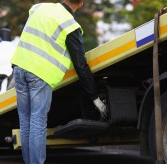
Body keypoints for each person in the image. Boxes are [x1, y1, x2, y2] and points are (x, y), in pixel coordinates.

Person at [10, 0, 108, 163]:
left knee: (25, 121)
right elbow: (80, 65)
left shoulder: (39, 7)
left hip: (19, 68)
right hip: (39, 75)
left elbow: (37, 23)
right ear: (81, 4)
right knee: (37, 123)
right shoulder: (70, 25)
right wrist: (95, 98)